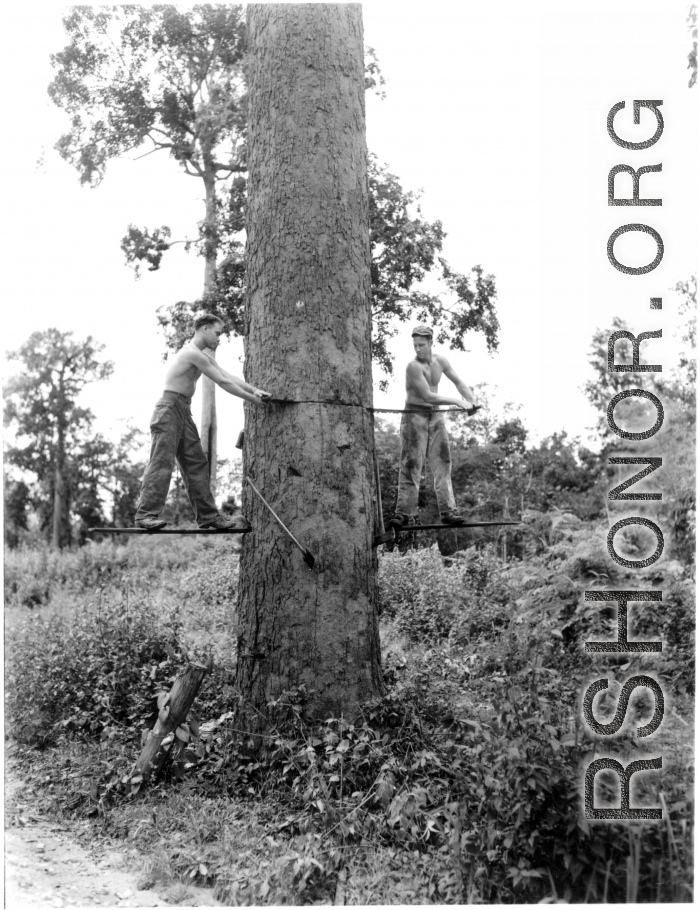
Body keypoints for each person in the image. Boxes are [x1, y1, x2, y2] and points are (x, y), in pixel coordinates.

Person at [135, 314, 271, 530]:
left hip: (183, 410)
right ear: (205, 329)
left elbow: (227, 375)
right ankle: (145, 515)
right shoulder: (191, 353)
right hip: (169, 409)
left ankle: (209, 517)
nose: (219, 338)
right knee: (162, 461)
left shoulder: (202, 355)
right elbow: (223, 382)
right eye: (217, 333)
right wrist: (254, 400)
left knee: (196, 463)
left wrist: (255, 390)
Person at [389, 324, 477, 531]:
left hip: (435, 416)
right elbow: (427, 396)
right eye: (415, 345)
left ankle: (448, 511)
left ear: (430, 343)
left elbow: (458, 381)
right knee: (411, 464)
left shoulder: (441, 361)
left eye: (421, 345)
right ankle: (404, 513)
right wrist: (457, 401)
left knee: (443, 463)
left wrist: (472, 401)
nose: (417, 349)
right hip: (414, 415)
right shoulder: (413, 366)